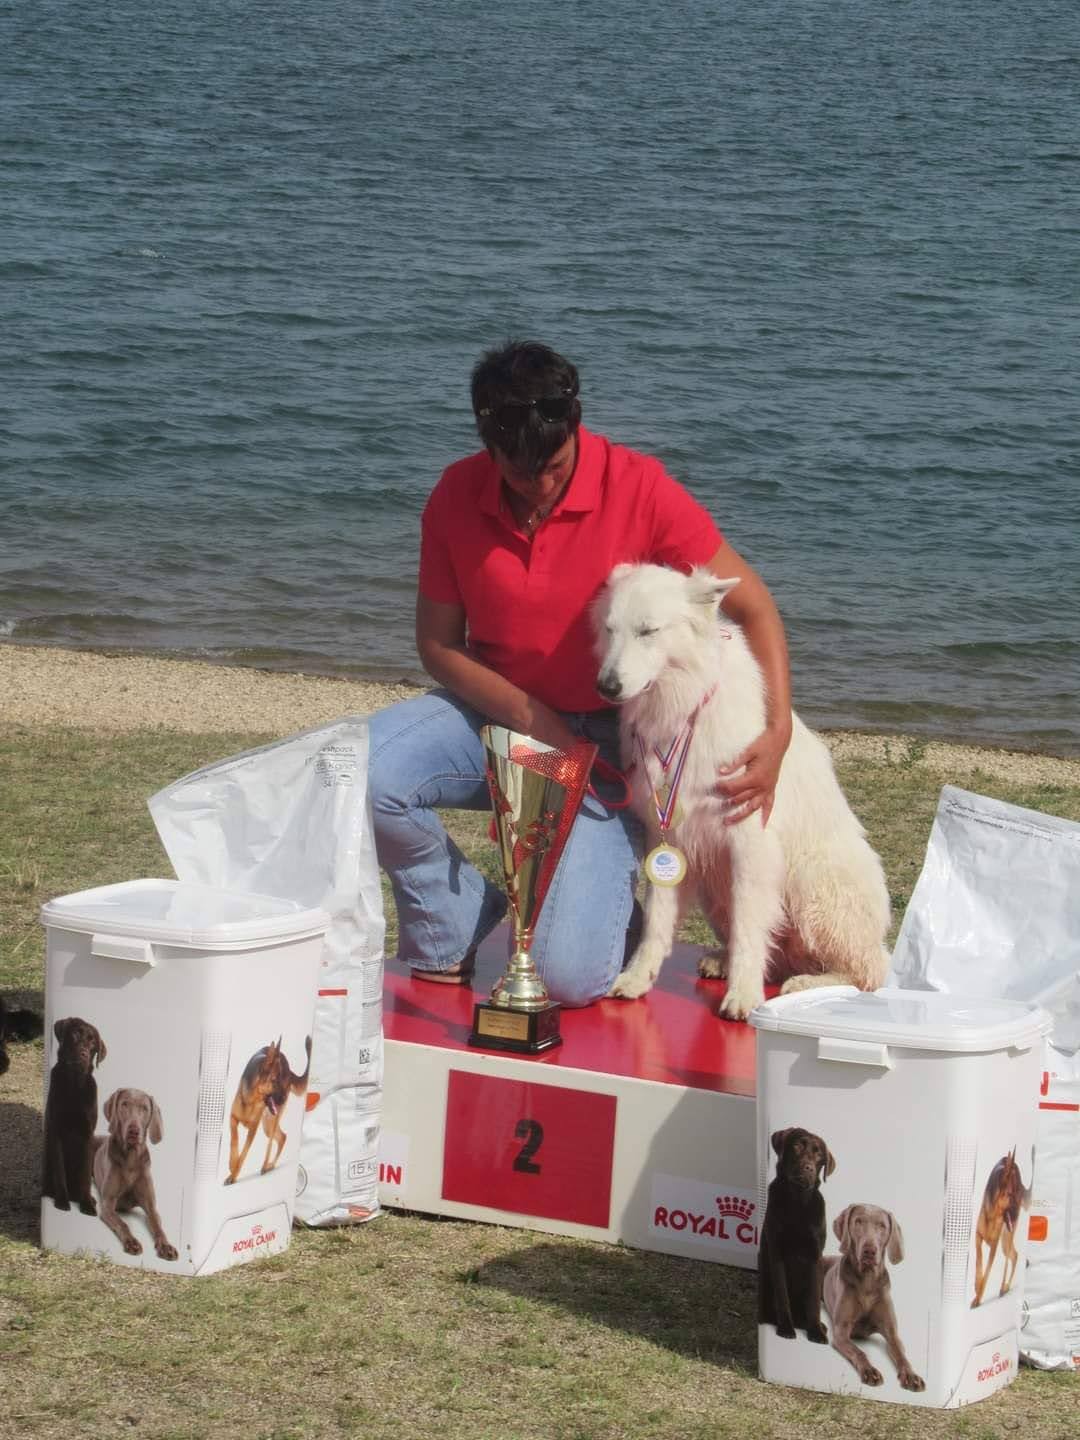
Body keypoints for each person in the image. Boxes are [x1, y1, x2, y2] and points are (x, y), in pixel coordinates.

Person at [369, 340, 792, 1007]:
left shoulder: (639, 486)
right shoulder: (456, 493)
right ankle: (454, 922)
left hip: (608, 744)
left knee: (567, 978)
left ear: (576, 423)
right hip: (498, 714)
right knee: (362, 773)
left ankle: (604, 912)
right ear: (489, 443)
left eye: (555, 466)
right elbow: (439, 646)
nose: (539, 485)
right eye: (517, 471)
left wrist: (779, 735)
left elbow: (755, 608)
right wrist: (538, 725)